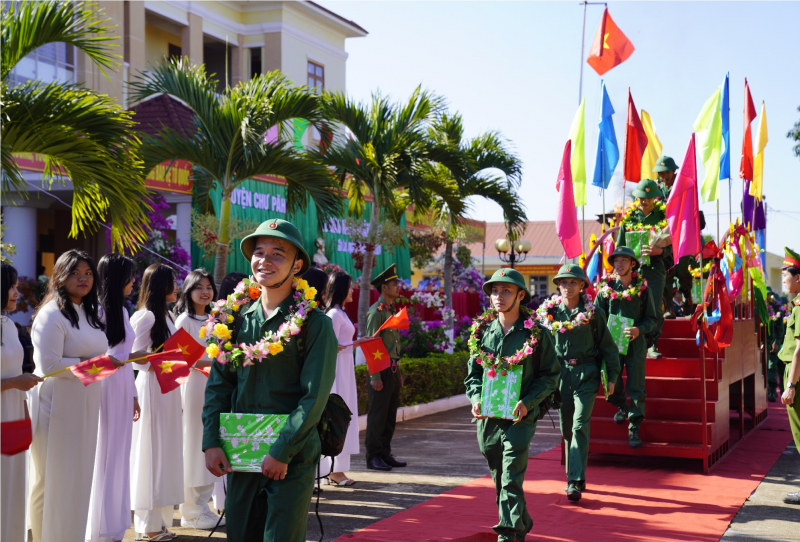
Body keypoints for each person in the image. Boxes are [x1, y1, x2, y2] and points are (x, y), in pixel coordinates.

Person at [202, 218, 337, 542]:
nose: (265, 260)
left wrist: (281, 451)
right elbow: (219, 386)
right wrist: (211, 441)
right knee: (240, 534)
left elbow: (314, 397)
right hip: (242, 449)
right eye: (259, 252)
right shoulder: (233, 320)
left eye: (278, 253)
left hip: (291, 456)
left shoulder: (314, 324)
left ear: (297, 265)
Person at [29, 250, 122, 542]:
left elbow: (95, 357)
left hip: (86, 402)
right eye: (75, 273)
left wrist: (105, 363)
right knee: (51, 479)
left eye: (88, 273)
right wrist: (100, 364)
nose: (83, 279)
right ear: (60, 276)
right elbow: (50, 365)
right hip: (56, 403)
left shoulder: (89, 312)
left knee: (78, 477)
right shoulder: (51, 313)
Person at [465, 269, 559, 541]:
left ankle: (508, 535)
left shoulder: (537, 333)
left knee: (510, 475)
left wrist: (528, 403)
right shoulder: (482, 332)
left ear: (520, 296)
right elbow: (473, 375)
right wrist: (476, 398)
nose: (499, 296)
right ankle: (521, 520)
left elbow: (550, 376)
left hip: (520, 416)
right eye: (495, 291)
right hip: (488, 417)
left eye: (506, 291)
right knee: (499, 473)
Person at [537, 264, 620, 502]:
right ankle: (576, 474)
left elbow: (608, 347)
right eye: (563, 282)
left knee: (579, 424)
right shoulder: (549, 314)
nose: (568, 286)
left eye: (573, 282)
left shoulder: (594, 314)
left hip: (587, 373)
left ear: (582, 285)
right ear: (558, 286)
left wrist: (612, 376)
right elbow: (540, 347)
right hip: (561, 374)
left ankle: (573, 481)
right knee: (566, 428)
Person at [87, 254, 142, 542]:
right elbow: (95, 358)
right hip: (104, 386)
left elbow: (124, 357)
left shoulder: (121, 309)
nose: (133, 281)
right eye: (129, 276)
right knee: (104, 451)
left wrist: (133, 394)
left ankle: (113, 525)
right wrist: (127, 358)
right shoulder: (96, 311)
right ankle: (97, 527)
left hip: (122, 386)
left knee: (120, 453)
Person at [130, 263, 183, 541]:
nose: (178, 287)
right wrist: (166, 363)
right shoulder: (147, 316)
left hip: (169, 387)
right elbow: (134, 356)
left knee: (166, 453)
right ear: (161, 285)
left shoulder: (166, 314)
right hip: (153, 386)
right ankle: (148, 526)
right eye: (173, 282)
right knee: (151, 453)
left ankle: (160, 523)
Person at [173, 269, 225, 529]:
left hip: (214, 386)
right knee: (195, 443)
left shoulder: (215, 319)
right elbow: (181, 359)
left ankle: (202, 506)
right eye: (199, 287)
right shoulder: (184, 320)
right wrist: (218, 361)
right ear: (188, 290)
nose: (205, 292)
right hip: (194, 386)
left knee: (212, 439)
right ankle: (190, 511)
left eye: (208, 287)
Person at [594, 247, 658, 449]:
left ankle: (634, 427)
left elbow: (652, 319)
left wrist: (639, 330)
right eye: (616, 260)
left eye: (624, 260)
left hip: (635, 343)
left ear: (633, 264)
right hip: (611, 344)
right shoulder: (605, 289)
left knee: (636, 386)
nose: (619, 264)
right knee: (610, 381)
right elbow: (596, 317)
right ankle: (621, 405)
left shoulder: (643, 290)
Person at [1, 263, 43, 542]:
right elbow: (14, 377)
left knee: (14, 483)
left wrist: (25, 413)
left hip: (14, 415)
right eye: (11, 287)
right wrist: (16, 383)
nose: (17, 293)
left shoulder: (8, 325)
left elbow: (16, 370)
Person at [616, 179, 672, 358]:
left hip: (654, 269)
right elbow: (619, 247)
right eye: (641, 197)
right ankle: (628, 342)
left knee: (654, 307)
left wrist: (659, 251)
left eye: (648, 197)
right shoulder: (629, 217)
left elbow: (673, 247)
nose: (644, 201)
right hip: (631, 270)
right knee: (630, 304)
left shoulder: (664, 217)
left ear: (655, 197)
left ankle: (652, 344)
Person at [364, 263, 408, 471]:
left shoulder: (390, 310)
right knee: (378, 415)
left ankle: (384, 453)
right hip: (380, 368)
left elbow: (393, 346)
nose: (398, 287)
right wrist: (375, 376)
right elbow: (372, 344)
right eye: (394, 284)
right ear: (384, 287)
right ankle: (373, 456)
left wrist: (398, 372)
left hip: (392, 368)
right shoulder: (377, 312)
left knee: (390, 415)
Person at [320, 271, 360, 486]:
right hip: (336, 371)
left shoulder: (341, 312)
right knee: (337, 417)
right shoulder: (334, 314)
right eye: (350, 287)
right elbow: (329, 346)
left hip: (346, 368)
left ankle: (338, 469)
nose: (353, 291)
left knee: (346, 417)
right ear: (341, 289)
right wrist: (351, 345)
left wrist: (359, 343)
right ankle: (333, 471)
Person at [779, 247, 800, 505]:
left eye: (786, 275)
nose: (784, 280)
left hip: (797, 377)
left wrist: (791, 385)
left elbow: (799, 350)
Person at [766, 286, 786, 402]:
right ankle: (767, 391)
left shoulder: (776, 308)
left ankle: (772, 391)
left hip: (773, 343)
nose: (768, 296)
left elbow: (780, 327)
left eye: (769, 294)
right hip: (763, 342)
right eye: (766, 294)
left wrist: (777, 342)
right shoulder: (762, 306)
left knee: (772, 366)